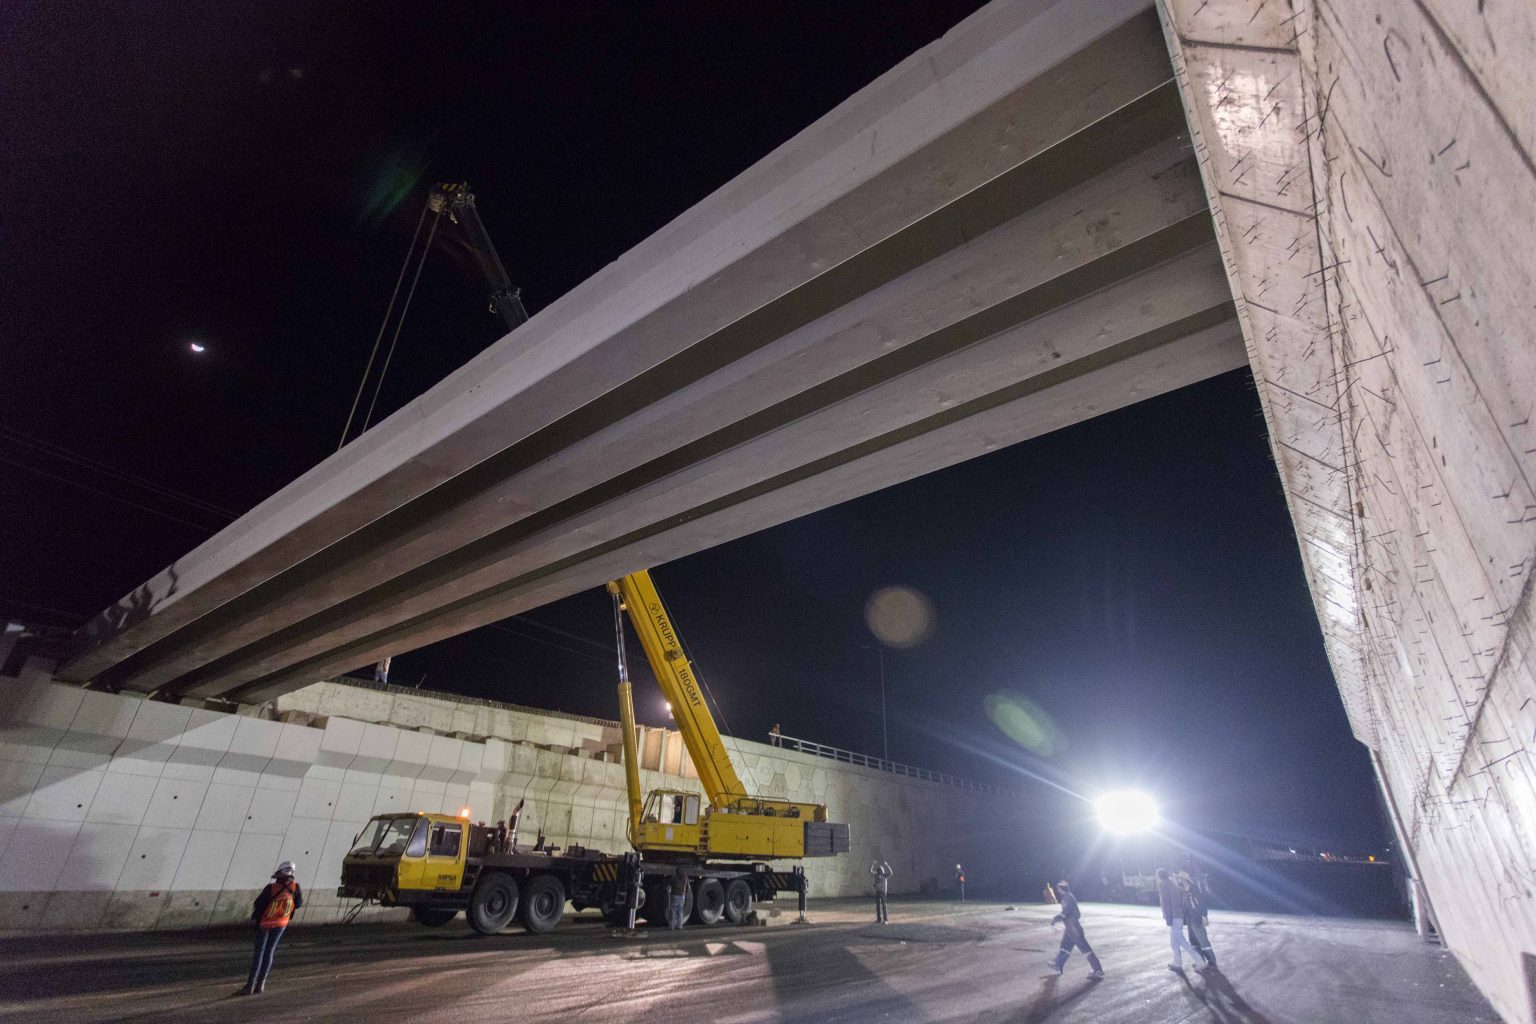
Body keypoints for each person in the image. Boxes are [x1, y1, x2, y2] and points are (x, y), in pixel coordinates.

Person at [240, 861, 302, 995]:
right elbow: (298, 904)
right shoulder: (295, 888)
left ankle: (250, 985)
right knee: (270, 952)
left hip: (265, 924)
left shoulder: (271, 888)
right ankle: (261, 985)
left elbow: (258, 904)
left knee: (259, 953)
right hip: (282, 924)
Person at [1047, 880, 1104, 978]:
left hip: (1074, 929)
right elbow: (1077, 913)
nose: (1057, 890)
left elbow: (1065, 913)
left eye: (1058, 888)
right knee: (1065, 947)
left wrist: (1055, 919)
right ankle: (1058, 965)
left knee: (1085, 950)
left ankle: (1097, 970)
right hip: (1070, 929)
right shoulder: (1068, 897)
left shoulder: (1067, 898)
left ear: (1061, 889)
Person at [1157, 867, 1207, 972]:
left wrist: (1168, 918)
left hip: (1174, 917)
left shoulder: (1164, 885)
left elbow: (1166, 903)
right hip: (1178, 916)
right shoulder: (1172, 885)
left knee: (1181, 941)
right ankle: (1177, 963)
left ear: (1159, 876)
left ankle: (1200, 961)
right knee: (1174, 942)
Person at [1179, 872, 1217, 969]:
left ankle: (1212, 961)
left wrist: (1204, 916)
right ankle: (1200, 961)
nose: (1179, 880)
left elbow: (1201, 904)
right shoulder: (1184, 892)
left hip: (1197, 919)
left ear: (1185, 880)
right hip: (1189, 921)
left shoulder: (1194, 890)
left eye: (1180, 879)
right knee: (1194, 942)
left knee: (1203, 941)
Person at [870, 859, 892, 923]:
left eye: (881, 870)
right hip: (877, 892)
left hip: (882, 892)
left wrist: (887, 865)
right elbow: (870, 871)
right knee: (878, 906)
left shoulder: (885, 875)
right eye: (879, 870)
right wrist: (872, 864)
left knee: (884, 906)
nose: (880, 871)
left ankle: (885, 919)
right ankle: (879, 919)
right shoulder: (876, 875)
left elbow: (891, 872)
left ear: (882, 871)